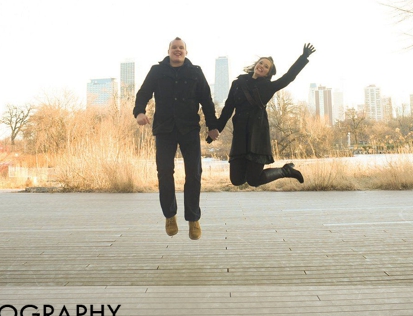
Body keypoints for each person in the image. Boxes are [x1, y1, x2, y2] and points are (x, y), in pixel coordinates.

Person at [133, 37, 219, 240]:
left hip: (189, 128)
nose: (177, 50)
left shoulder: (195, 72)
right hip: (164, 129)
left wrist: (212, 126)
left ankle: (193, 218)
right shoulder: (157, 71)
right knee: (164, 172)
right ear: (169, 50)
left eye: (181, 48)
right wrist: (139, 112)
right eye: (174, 47)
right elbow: (143, 93)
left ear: (186, 52)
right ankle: (170, 215)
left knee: (194, 173)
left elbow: (206, 100)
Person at [215, 43, 316, 187]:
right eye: (261, 63)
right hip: (240, 135)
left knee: (254, 180)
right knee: (236, 180)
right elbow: (228, 108)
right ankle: (258, 172)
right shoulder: (238, 83)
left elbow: (289, 77)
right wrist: (216, 129)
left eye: (266, 66)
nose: (262, 66)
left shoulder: (268, 87)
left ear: (268, 73)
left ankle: (285, 171)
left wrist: (303, 57)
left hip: (257, 135)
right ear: (256, 64)